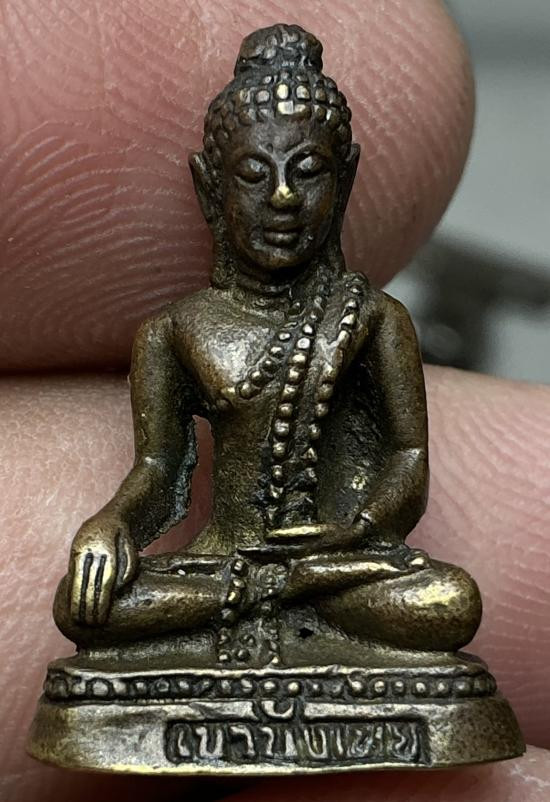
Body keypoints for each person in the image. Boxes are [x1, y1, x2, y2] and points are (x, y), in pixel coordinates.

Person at [1, 1, 548, 800]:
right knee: (87, 608)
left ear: (346, 177)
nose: (284, 198)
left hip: (338, 569)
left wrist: (356, 532)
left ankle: (280, 602)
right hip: (220, 564)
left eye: (309, 171)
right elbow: (160, 471)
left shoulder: (372, 320)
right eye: (254, 176)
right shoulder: (175, 331)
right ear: (209, 187)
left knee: (446, 602)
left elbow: (407, 458)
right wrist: (109, 526)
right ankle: (267, 601)